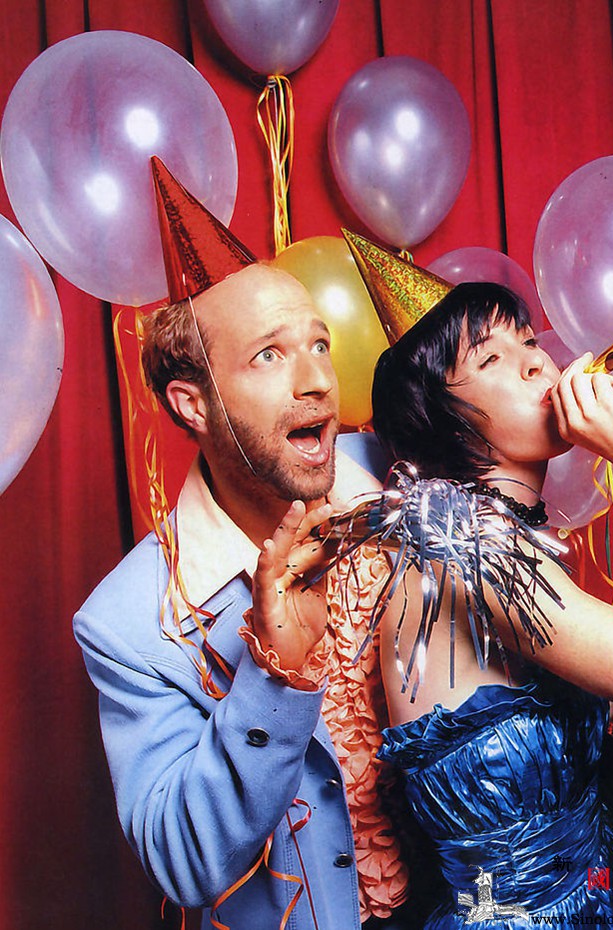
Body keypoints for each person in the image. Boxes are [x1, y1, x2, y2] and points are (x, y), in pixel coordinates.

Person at [74, 162, 413, 930]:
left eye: (319, 344)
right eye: (269, 355)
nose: (318, 379)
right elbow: (183, 860)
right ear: (192, 404)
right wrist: (276, 675)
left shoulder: (398, 476)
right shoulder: (129, 623)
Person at [357, 276, 613, 928]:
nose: (537, 362)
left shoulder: (502, 536)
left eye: (528, 340)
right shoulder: (467, 546)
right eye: (491, 357)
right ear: (442, 420)